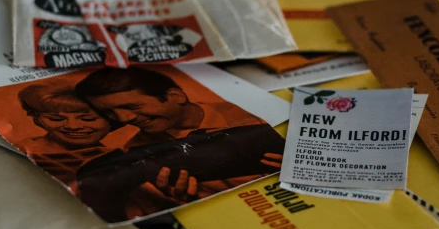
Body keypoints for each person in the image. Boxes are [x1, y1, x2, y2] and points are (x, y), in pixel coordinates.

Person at [75, 67, 282, 218]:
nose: (123, 119)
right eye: (110, 113)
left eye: (132, 106)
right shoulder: (137, 153)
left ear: (175, 96)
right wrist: (179, 202)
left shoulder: (253, 114)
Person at [17, 82, 117, 188]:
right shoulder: (21, 151)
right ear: (37, 119)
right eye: (56, 119)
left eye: (88, 119)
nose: (73, 127)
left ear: (112, 118)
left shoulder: (117, 155)